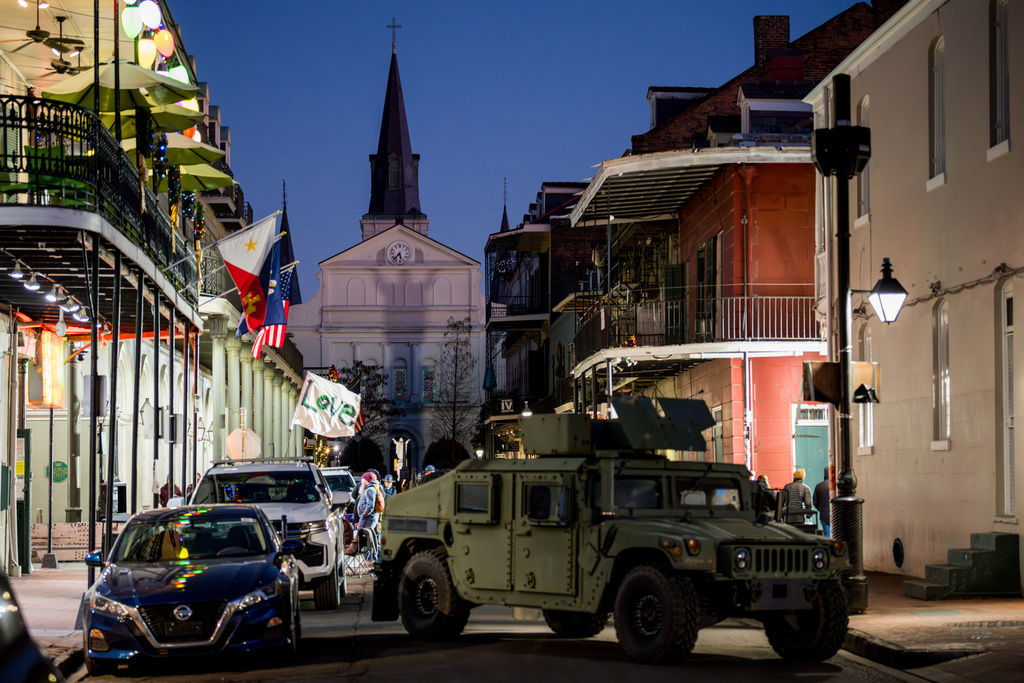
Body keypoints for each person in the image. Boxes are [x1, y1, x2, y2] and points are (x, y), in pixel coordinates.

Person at [355, 472, 382, 560]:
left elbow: (370, 505)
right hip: (368, 518)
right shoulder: (369, 488)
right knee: (367, 539)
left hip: (368, 518)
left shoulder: (370, 489)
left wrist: (363, 515)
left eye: (363, 479)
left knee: (367, 539)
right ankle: (372, 559)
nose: (362, 481)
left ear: (366, 480)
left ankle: (373, 559)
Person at [813, 467, 832, 537]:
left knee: (827, 533)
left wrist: (821, 509)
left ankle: (827, 547)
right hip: (835, 513)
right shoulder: (835, 486)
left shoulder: (818, 486)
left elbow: (815, 502)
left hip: (823, 514)